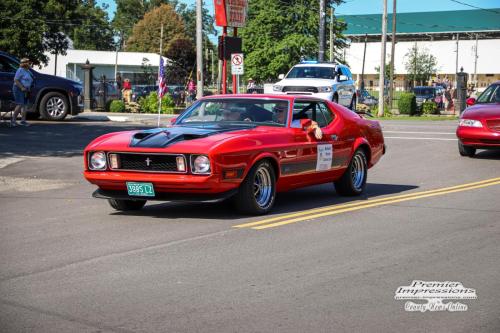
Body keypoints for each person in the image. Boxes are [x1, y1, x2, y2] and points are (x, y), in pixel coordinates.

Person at [11, 58, 34, 127]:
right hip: (18, 89)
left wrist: (28, 88)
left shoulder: (28, 71)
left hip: (26, 90)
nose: (30, 64)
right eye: (28, 63)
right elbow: (16, 80)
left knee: (25, 105)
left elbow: (29, 81)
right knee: (20, 104)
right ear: (25, 64)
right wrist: (22, 87)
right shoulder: (20, 70)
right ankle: (13, 121)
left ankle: (23, 121)